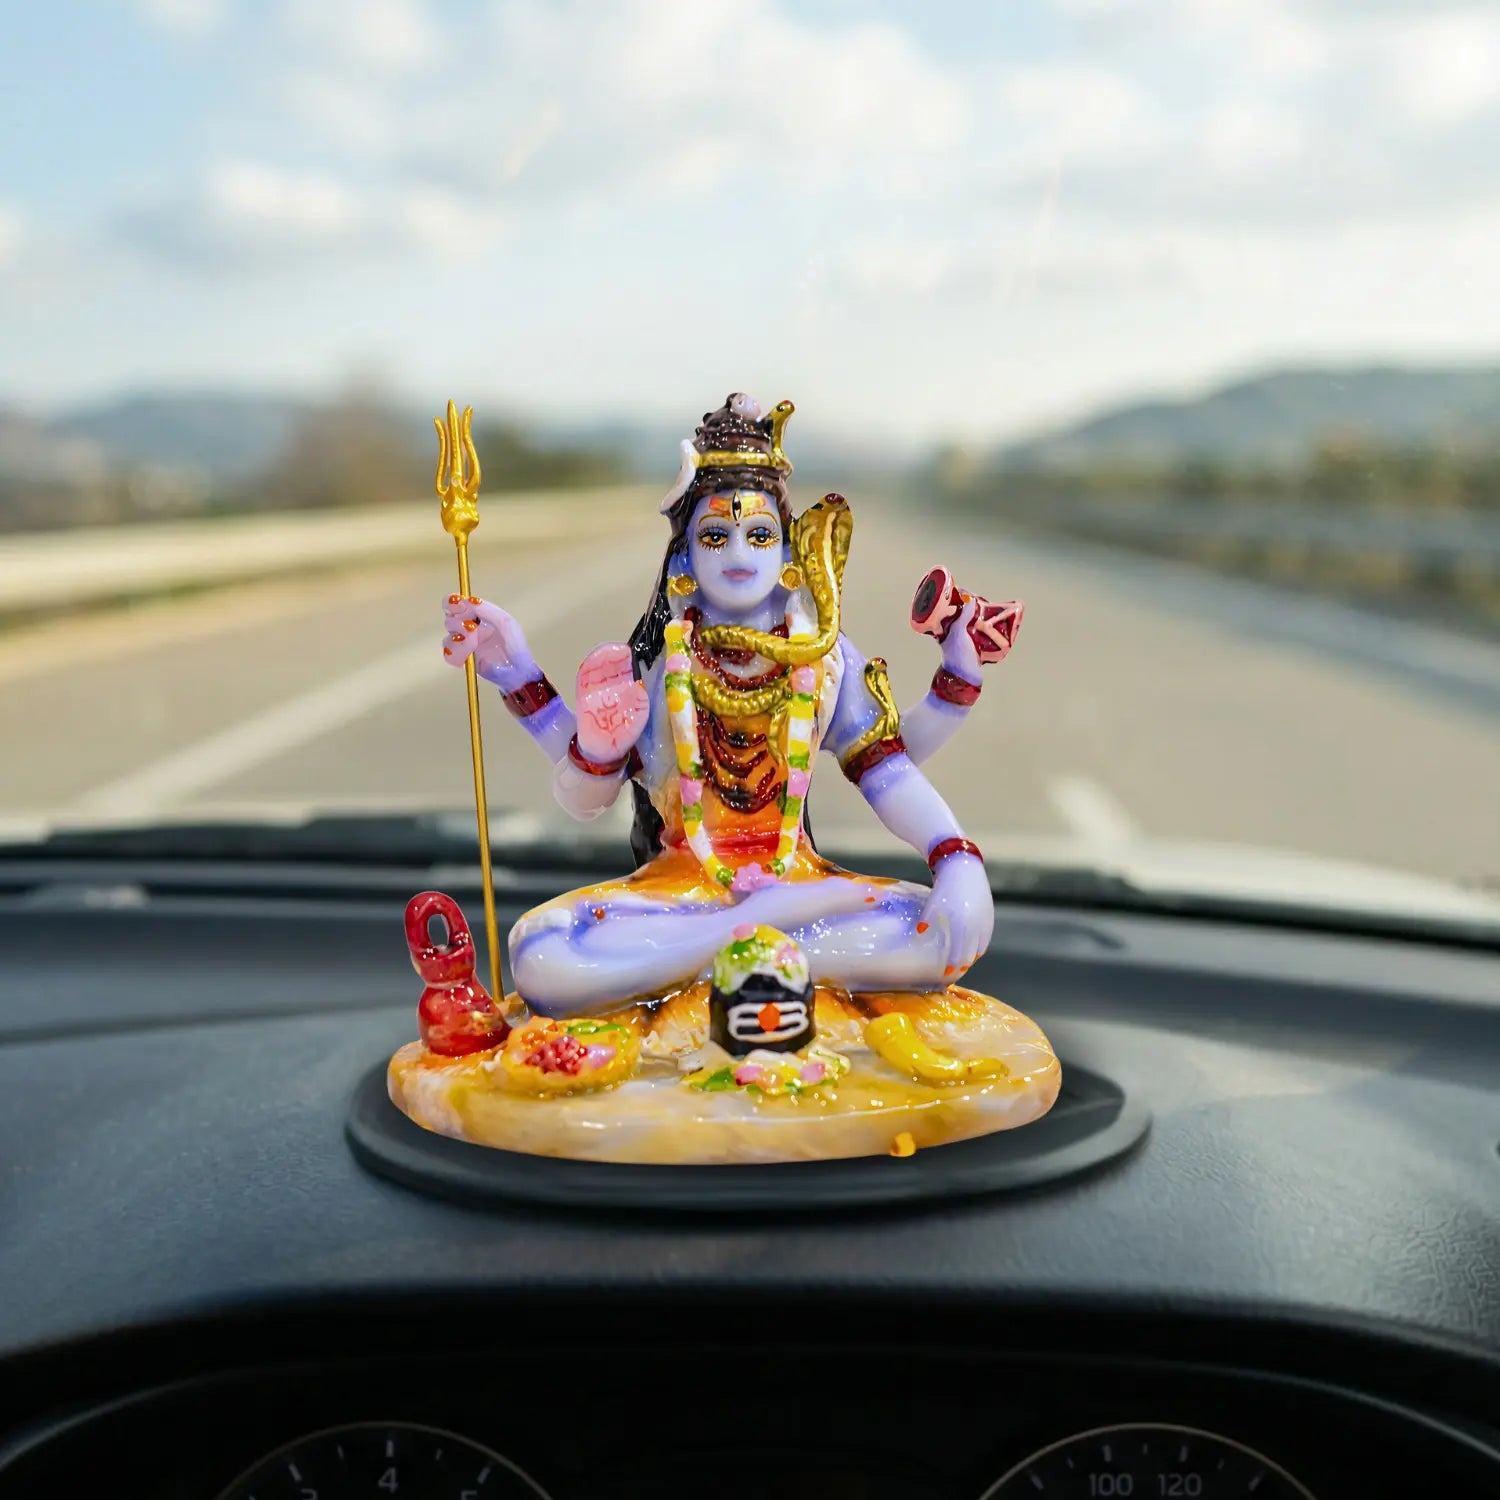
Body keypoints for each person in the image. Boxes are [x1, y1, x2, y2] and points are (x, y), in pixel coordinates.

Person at [440, 394, 1020, 1018]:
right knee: (543, 956)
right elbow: (584, 801)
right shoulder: (660, 662)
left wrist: (955, 858)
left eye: (759, 534)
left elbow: (889, 769)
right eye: (716, 535)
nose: (740, 555)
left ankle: (731, 954)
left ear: (788, 553)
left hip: (797, 886)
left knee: (941, 932)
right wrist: (519, 676)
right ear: (685, 555)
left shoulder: (820, 658)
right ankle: (756, 946)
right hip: (683, 894)